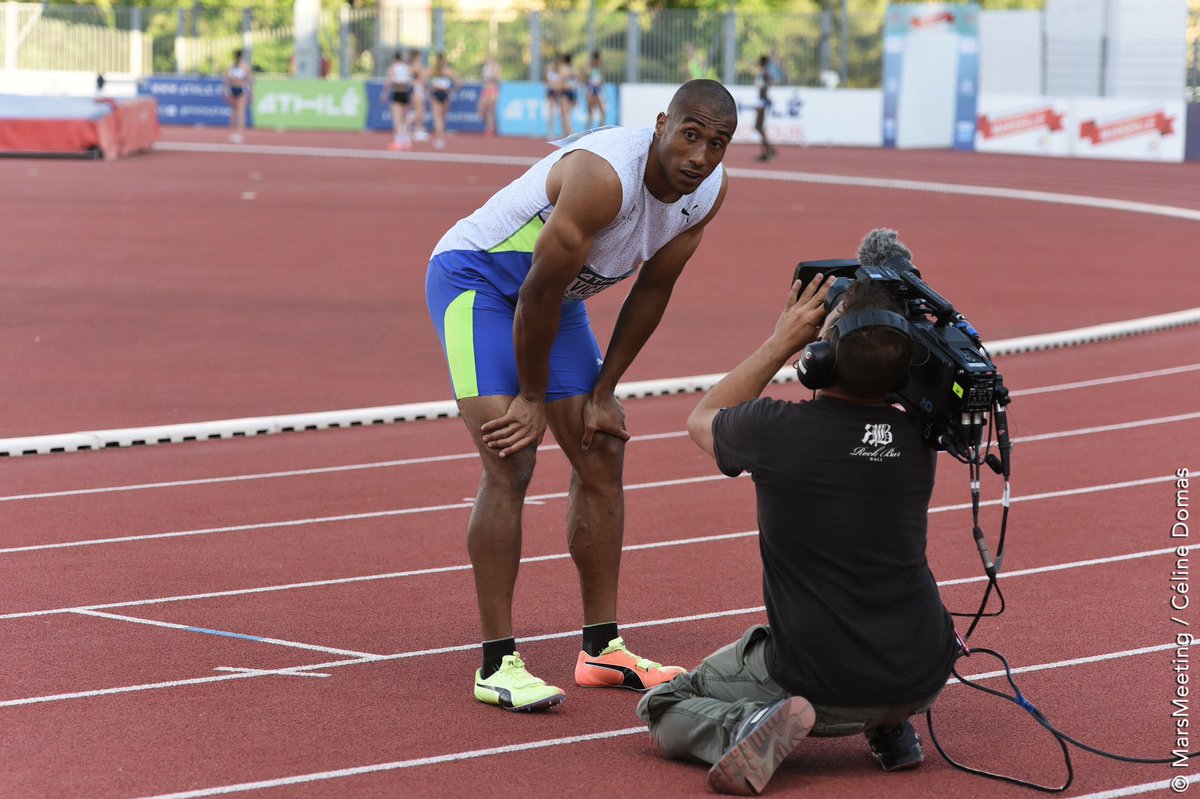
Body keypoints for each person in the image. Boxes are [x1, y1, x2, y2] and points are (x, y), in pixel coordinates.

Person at [424, 80, 738, 713]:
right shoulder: (603, 178)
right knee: (511, 458)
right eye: (690, 134)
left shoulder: (708, 191)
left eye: (717, 143)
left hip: (556, 298)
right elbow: (535, 291)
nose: (701, 155)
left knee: (600, 453)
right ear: (660, 125)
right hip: (481, 281)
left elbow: (652, 290)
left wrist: (604, 391)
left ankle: (602, 650)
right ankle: (497, 663)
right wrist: (532, 398)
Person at [636, 262, 958, 795]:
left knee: (665, 702)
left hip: (822, 680)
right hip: (923, 673)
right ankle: (891, 729)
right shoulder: (918, 440)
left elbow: (703, 415)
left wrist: (778, 341)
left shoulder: (773, 430)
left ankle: (742, 727)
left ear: (818, 360)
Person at [382, 49, 413, 151]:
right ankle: (407, 140)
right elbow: (410, 81)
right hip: (405, 92)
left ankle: (398, 141)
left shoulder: (393, 67)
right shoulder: (406, 67)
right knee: (404, 117)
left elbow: (390, 80)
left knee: (397, 118)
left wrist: (384, 93)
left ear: (394, 59)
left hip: (396, 92)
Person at [427, 52, 459, 150]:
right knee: (442, 117)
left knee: (438, 118)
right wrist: (451, 90)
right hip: (445, 93)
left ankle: (439, 139)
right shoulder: (447, 71)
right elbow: (458, 82)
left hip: (437, 93)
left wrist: (431, 88)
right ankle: (441, 138)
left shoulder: (433, 70)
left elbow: (423, 80)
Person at [223, 49, 252, 144]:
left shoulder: (244, 66)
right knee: (236, 112)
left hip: (241, 89)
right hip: (233, 89)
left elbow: (249, 80)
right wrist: (225, 90)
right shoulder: (232, 66)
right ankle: (235, 133)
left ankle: (239, 133)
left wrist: (250, 92)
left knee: (239, 112)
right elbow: (227, 79)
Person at [753, 55, 776, 162]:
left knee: (758, 126)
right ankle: (768, 149)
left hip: (763, 102)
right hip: (762, 101)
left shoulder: (765, 71)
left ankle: (768, 151)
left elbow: (771, 81)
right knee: (759, 127)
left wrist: (764, 87)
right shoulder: (764, 71)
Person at [477, 54, 501, 137]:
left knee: (490, 110)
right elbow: (483, 79)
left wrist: (491, 76)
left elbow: (497, 78)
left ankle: (490, 129)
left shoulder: (496, 67)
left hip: (493, 90)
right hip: (486, 89)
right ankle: (490, 125)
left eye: (490, 59)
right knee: (481, 109)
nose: (488, 60)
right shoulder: (485, 68)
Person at [408, 50, 429, 142]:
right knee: (419, 110)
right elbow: (422, 77)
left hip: (418, 88)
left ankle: (419, 129)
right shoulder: (416, 66)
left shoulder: (413, 66)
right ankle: (410, 127)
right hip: (417, 88)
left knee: (420, 110)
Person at [557, 53, 577, 137]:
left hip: (565, 92)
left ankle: (569, 132)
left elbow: (561, 82)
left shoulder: (563, 69)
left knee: (565, 114)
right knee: (565, 114)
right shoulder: (573, 69)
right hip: (569, 92)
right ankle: (565, 132)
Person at [585, 51, 606, 129]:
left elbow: (601, 81)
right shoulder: (589, 67)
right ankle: (588, 131)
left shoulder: (599, 68)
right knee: (590, 113)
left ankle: (600, 131)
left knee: (602, 112)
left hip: (597, 91)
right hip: (591, 91)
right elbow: (586, 80)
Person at [544, 53, 563, 138]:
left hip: (559, 91)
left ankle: (562, 132)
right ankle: (550, 132)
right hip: (551, 91)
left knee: (561, 112)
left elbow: (562, 81)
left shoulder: (561, 69)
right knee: (550, 112)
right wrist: (553, 86)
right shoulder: (549, 68)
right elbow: (547, 80)